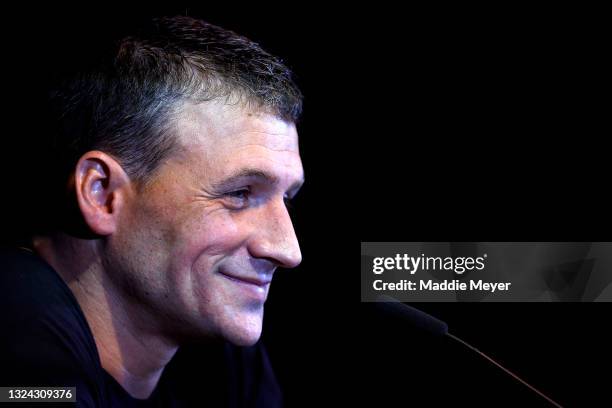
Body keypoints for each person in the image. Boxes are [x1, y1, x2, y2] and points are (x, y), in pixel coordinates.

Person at [0, 15, 304, 407]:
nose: (287, 250)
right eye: (240, 193)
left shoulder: (215, 345)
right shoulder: (17, 321)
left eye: (288, 200)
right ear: (102, 194)